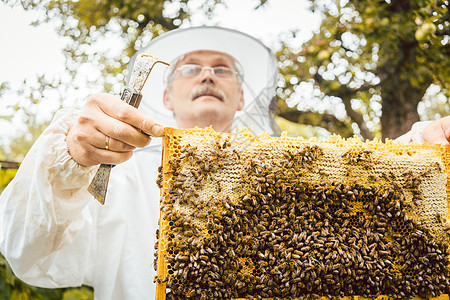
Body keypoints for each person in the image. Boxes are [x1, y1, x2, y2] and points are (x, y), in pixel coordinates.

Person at [0, 26, 448, 300]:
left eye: (222, 69)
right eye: (190, 68)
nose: (208, 74)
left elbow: (372, 202)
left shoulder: (295, 175)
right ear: (166, 96)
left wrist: (426, 153)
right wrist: (66, 161)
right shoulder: (119, 178)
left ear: (239, 99)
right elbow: (28, 254)